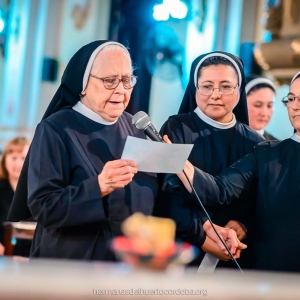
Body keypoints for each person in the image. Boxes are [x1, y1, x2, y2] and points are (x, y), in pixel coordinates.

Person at [7, 41, 241, 261]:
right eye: (110, 80)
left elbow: (158, 202)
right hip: (72, 264)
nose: (121, 89)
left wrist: (203, 228)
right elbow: (44, 207)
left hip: (127, 264)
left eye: (127, 80)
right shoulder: (56, 129)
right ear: (83, 83)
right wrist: (99, 186)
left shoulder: (136, 127)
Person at [173, 71, 300, 272]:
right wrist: (177, 160)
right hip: (270, 276)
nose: (296, 105)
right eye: (292, 98)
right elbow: (221, 189)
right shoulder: (267, 153)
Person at [153, 52, 264, 267]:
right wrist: (202, 234)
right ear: (195, 88)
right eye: (206, 86)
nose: (215, 94)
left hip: (235, 250)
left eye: (225, 86)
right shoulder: (176, 128)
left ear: (239, 90)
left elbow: (259, 200)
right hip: (185, 245)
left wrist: (244, 224)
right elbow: (167, 195)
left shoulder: (254, 141)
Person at [0, 137, 30, 255]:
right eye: (13, 158)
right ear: (4, 160)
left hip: (33, 260)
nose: (18, 163)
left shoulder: (39, 190)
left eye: (23, 158)